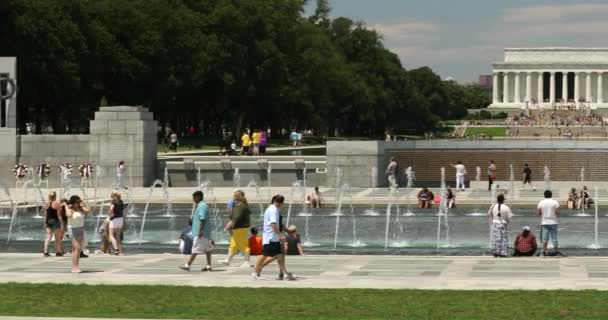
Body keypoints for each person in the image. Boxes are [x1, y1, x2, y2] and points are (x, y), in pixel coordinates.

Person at [252, 195, 295, 280]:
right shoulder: (273, 210)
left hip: (274, 237)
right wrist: (280, 235)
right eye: (283, 203)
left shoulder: (274, 209)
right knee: (264, 255)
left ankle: (285, 273)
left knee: (280, 255)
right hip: (271, 237)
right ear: (281, 203)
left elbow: (278, 223)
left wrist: (286, 231)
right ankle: (255, 272)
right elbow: (273, 224)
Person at [180, 191, 214, 271]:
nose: (193, 199)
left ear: (198, 197)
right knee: (207, 249)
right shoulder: (202, 205)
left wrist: (200, 231)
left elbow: (202, 219)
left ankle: (187, 265)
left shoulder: (202, 206)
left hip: (201, 233)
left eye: (194, 197)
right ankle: (209, 266)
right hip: (205, 232)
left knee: (195, 249)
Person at [220, 190, 252, 267]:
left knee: (243, 245)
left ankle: (247, 262)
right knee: (233, 245)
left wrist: (227, 227)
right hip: (241, 228)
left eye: (234, 196)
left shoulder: (239, 206)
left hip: (239, 229)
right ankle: (228, 260)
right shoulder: (244, 204)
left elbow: (235, 219)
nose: (233, 197)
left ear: (238, 197)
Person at [64, 195, 91, 273]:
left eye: (79, 202)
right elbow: (68, 215)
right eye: (77, 202)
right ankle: (75, 267)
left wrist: (83, 202)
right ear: (73, 202)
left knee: (76, 249)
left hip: (80, 229)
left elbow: (88, 210)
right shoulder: (70, 209)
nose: (78, 204)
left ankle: (75, 266)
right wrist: (66, 206)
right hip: (73, 229)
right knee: (78, 248)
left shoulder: (80, 208)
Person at [537, 190, 561, 256]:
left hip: (544, 222)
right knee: (554, 238)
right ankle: (556, 252)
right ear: (551, 195)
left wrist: (542, 214)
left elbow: (538, 213)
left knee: (545, 238)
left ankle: (544, 252)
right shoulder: (555, 202)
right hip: (553, 222)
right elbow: (558, 212)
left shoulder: (541, 202)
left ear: (544, 195)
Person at [43, 192, 64, 257]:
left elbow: (46, 215)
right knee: (57, 238)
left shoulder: (46, 204)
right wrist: (61, 223)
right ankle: (58, 252)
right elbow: (59, 215)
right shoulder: (57, 203)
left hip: (48, 221)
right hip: (55, 221)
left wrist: (45, 222)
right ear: (55, 196)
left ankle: (45, 252)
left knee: (48, 236)